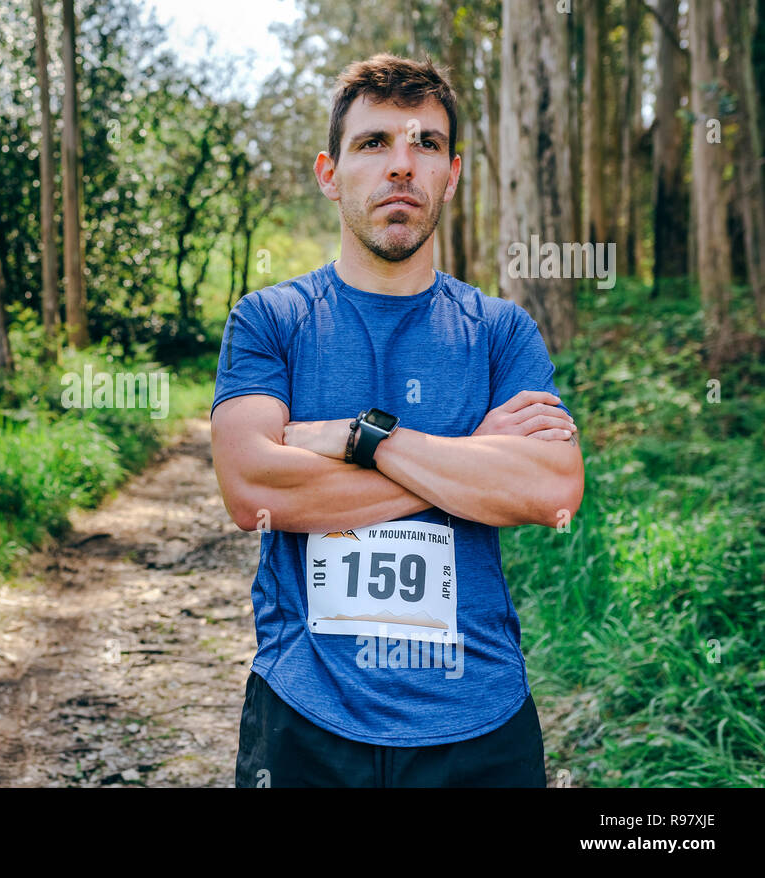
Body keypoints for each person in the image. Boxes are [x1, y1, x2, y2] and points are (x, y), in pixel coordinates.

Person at [211, 53, 585, 788]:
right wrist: (470, 460)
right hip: (305, 717)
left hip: (481, 721)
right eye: (374, 143)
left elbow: (553, 493)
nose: (402, 167)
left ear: (452, 174)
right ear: (330, 172)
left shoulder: (501, 332)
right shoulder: (271, 321)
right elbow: (254, 493)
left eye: (427, 145)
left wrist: (358, 440)